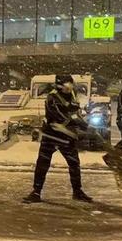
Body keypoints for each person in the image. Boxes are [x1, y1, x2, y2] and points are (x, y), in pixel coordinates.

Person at [24, 74, 93, 204]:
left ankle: (77, 192)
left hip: (67, 136)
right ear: (59, 86)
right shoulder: (52, 97)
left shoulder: (72, 94)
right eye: (66, 85)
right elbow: (61, 116)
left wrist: (84, 124)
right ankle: (36, 192)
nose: (69, 87)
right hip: (51, 135)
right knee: (43, 164)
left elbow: (75, 111)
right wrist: (79, 124)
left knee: (74, 163)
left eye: (70, 84)